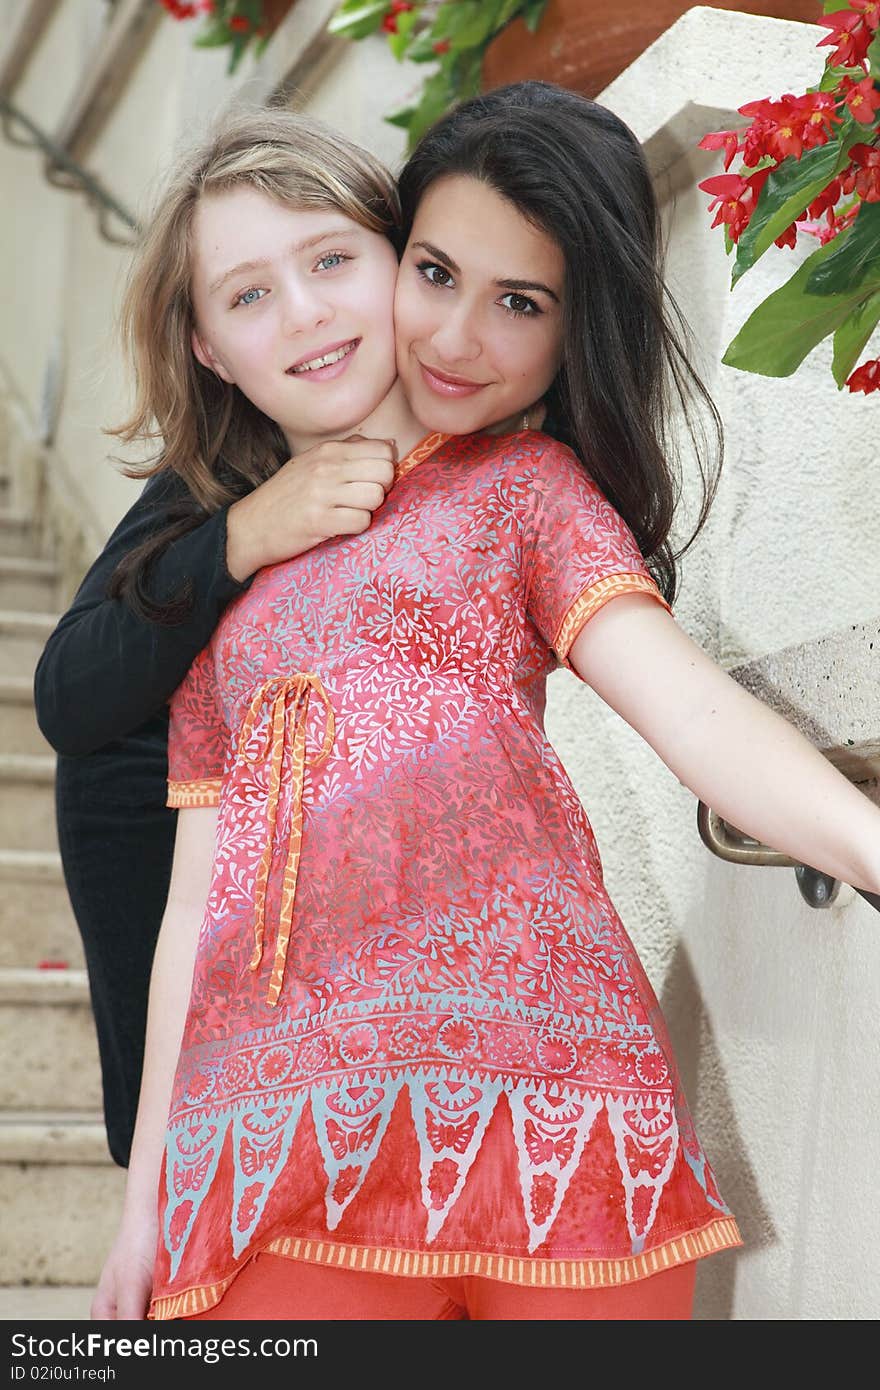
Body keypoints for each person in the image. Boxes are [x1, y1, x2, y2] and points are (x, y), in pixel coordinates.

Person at [89, 85, 880, 1322]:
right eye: (439, 274)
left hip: (565, 1121)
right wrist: (144, 1202)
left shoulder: (529, 490)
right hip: (278, 1145)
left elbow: (693, 716)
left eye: (520, 303)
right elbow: (190, 906)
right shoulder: (214, 575)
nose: (457, 340)